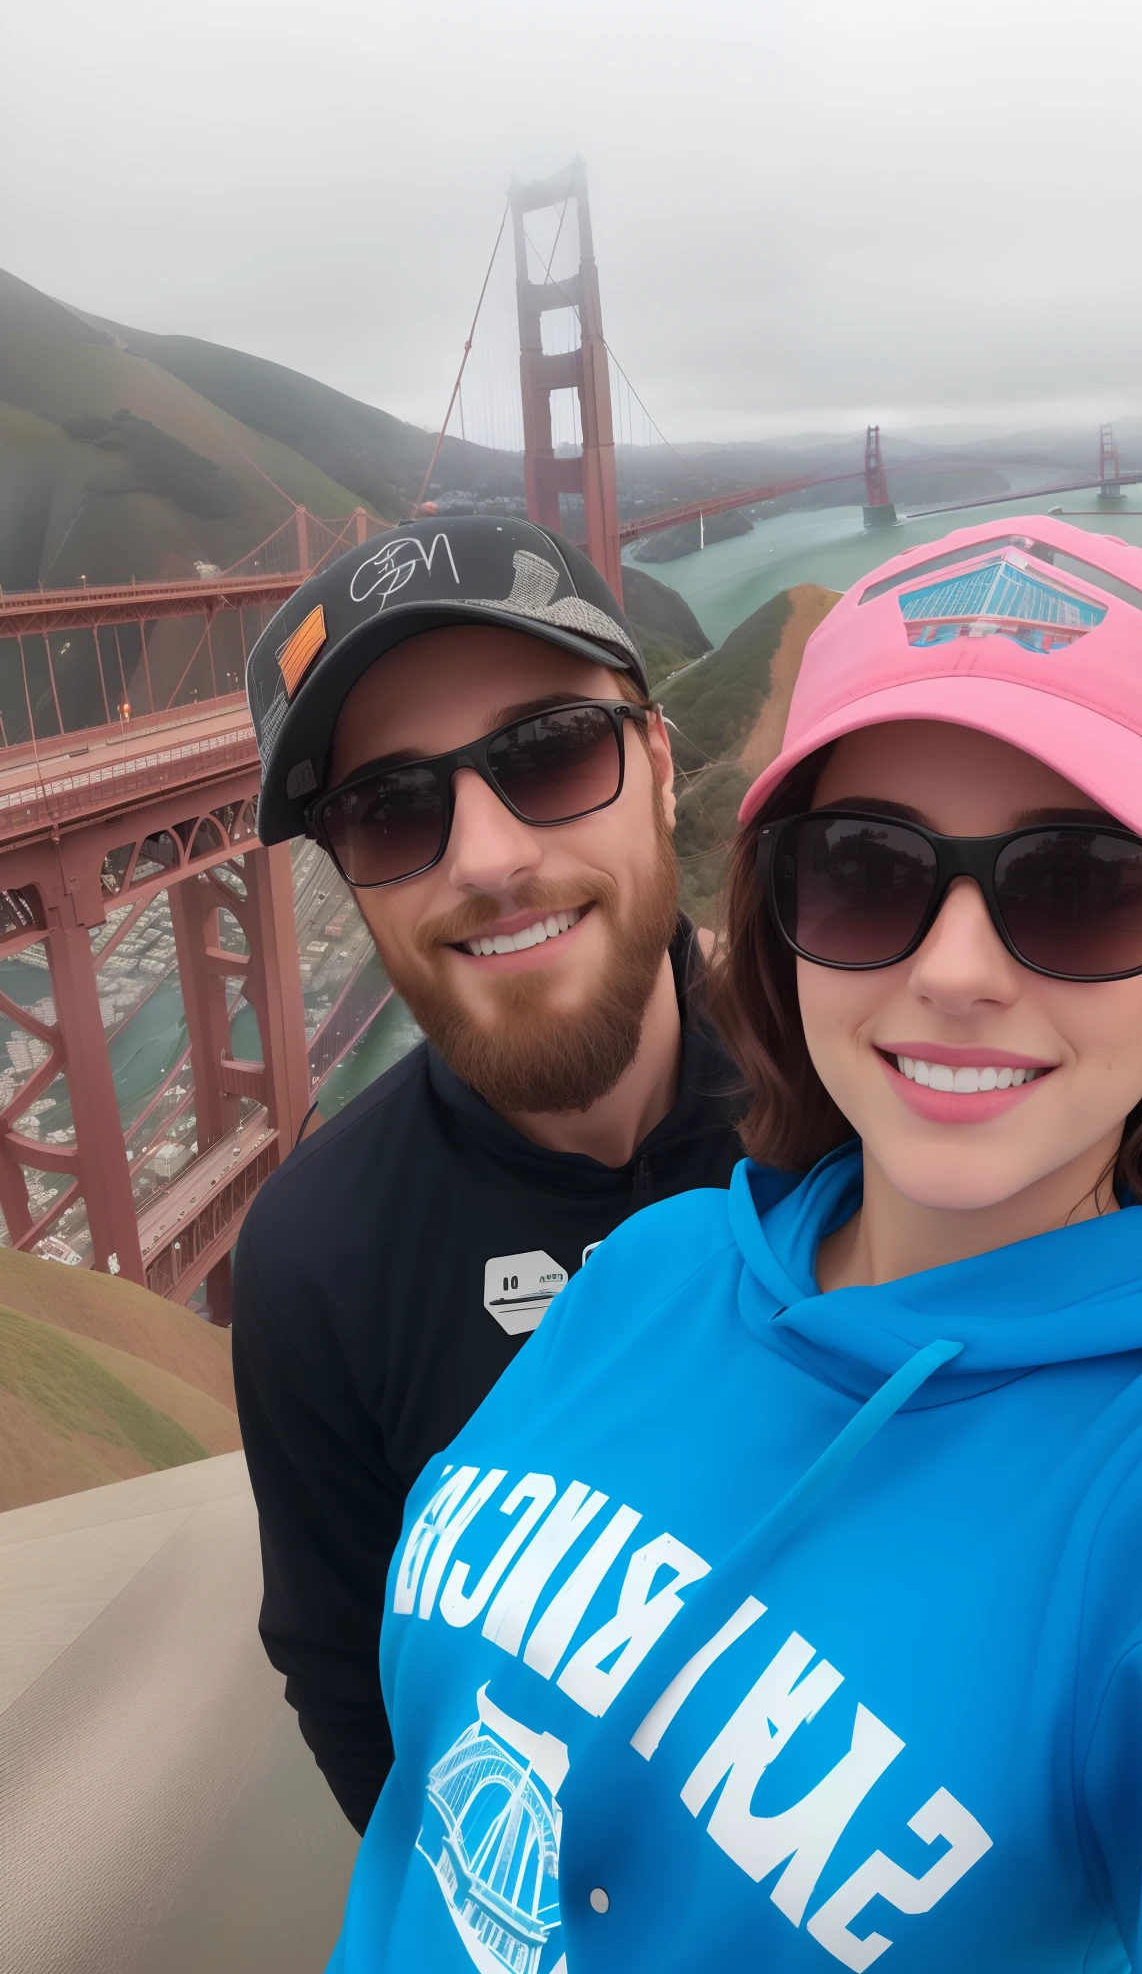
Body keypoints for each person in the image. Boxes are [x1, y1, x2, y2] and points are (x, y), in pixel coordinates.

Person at [323, 518, 1142, 1971]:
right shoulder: (656, 1268)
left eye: (1081, 885)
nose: (955, 972)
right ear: (782, 919)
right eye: (866, 872)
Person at [232, 515, 743, 1833]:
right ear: (350, 872)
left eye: (551, 752)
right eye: (393, 809)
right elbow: (352, 1686)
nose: (488, 858)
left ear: (662, 765)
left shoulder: (876, 1112)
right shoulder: (314, 1261)